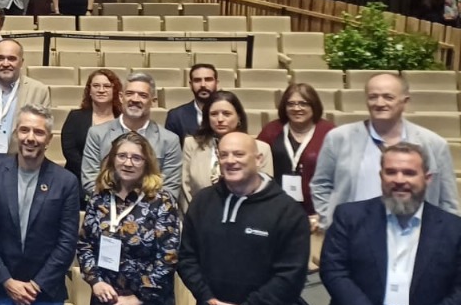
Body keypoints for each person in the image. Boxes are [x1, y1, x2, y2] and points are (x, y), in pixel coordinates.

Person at [320, 142, 461, 305]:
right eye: (391, 172)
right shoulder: (349, 217)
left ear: (427, 178)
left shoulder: (454, 228)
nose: (399, 180)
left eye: (409, 173)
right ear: (381, 176)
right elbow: (334, 272)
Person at [178, 132, 310, 305]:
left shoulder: (287, 211)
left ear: (258, 159)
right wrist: (210, 301)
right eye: (224, 155)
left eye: (239, 154)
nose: (230, 161)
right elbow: (187, 258)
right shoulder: (202, 202)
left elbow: (291, 275)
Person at [0, 106, 81, 305]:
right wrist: (7, 281)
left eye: (38, 132)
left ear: (49, 139)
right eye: (24, 130)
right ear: (15, 133)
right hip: (0, 290)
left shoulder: (66, 182)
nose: (30, 138)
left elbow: (66, 242)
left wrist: (36, 285)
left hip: (45, 294)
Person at [78, 131, 183, 305]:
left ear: (147, 163)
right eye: (122, 156)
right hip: (106, 304)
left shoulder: (162, 201)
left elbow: (168, 257)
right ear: (112, 159)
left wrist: (138, 297)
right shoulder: (99, 198)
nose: (128, 163)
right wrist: (95, 281)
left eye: (136, 158)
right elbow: (85, 245)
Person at [312, 72, 459, 229]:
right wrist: (331, 221)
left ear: (405, 101)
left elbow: (447, 201)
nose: (379, 103)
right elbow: (321, 184)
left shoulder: (434, 144)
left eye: (388, 97)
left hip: (415, 235)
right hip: (353, 232)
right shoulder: (339, 138)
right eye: (373, 97)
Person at [80, 72, 184, 193]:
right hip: (106, 203)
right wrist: (115, 201)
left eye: (143, 95)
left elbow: (170, 188)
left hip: (152, 204)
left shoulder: (170, 140)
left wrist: (140, 203)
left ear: (153, 101)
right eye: (129, 93)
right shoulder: (97, 134)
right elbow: (90, 180)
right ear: (121, 97)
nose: (135, 99)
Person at [182, 91, 275, 207]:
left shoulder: (261, 148)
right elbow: (185, 188)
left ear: (239, 117)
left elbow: (265, 191)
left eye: (226, 114)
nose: (220, 119)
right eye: (214, 114)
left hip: (248, 212)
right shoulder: (191, 144)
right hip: (201, 212)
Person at [257, 83, 333, 224]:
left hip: (317, 211)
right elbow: (257, 167)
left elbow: (340, 176)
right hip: (276, 210)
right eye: (291, 104)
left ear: (314, 105)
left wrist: (324, 212)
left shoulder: (329, 132)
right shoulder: (271, 130)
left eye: (303, 103)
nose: (296, 108)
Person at [61, 69, 122, 185]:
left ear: (114, 91)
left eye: (107, 86)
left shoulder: (123, 119)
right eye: (96, 86)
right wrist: (91, 175)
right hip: (78, 179)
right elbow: (69, 150)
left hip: (116, 181)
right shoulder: (75, 117)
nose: (101, 90)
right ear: (89, 90)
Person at [165, 64, 220, 142]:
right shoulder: (176, 116)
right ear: (191, 85)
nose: (203, 85)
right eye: (197, 80)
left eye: (208, 79)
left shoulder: (229, 114)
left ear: (216, 83)